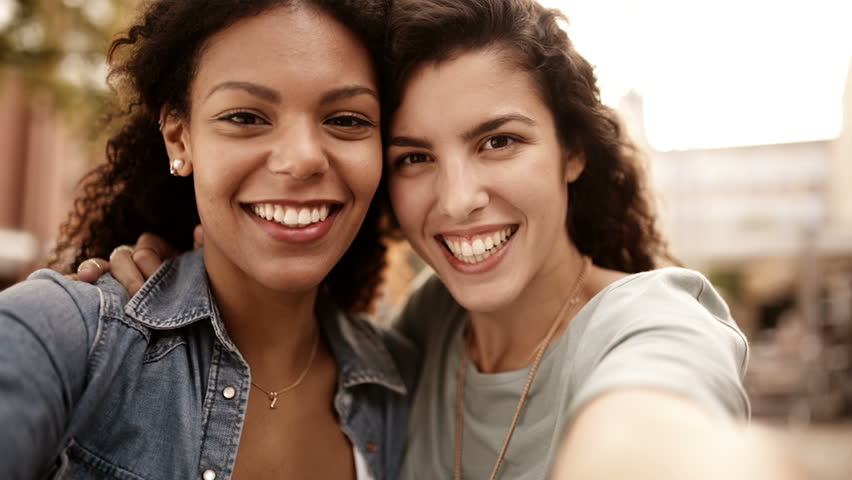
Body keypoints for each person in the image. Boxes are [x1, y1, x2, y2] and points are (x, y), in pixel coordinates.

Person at [80, 0, 757, 478]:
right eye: (414, 157)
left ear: (572, 150)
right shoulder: (424, 334)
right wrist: (191, 280)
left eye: (499, 141)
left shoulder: (652, 320)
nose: (458, 199)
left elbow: (662, 429)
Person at [0, 1, 418, 479]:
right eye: (245, 117)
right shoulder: (66, 337)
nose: (302, 159)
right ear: (179, 138)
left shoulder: (403, 383)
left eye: (347, 119)